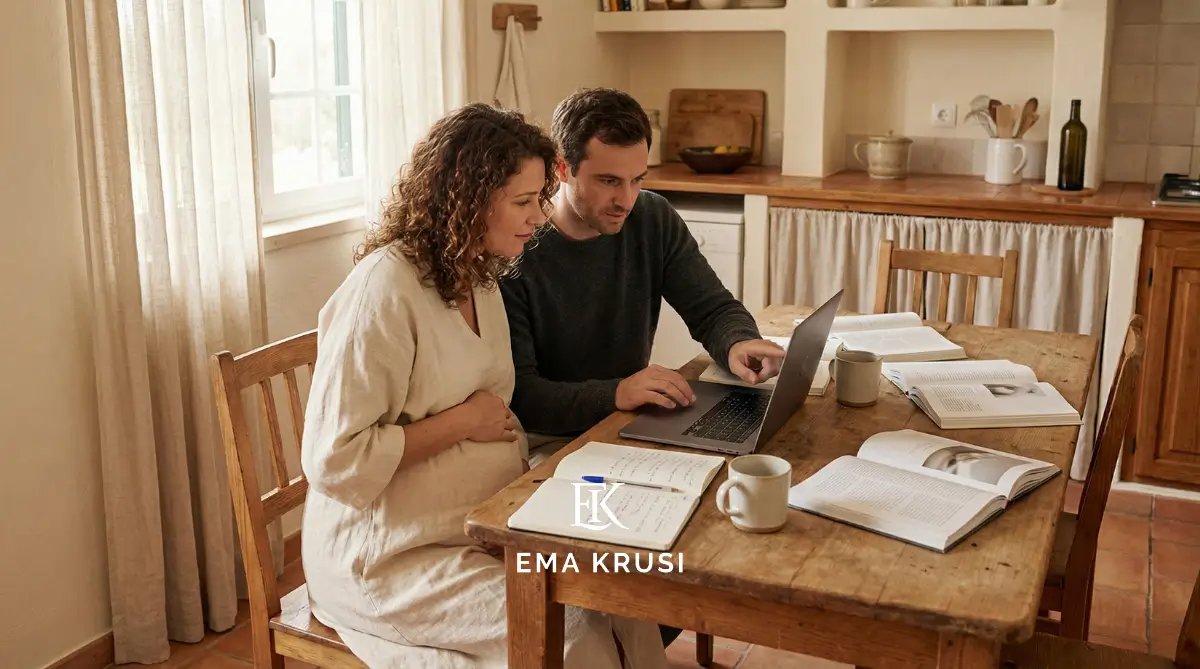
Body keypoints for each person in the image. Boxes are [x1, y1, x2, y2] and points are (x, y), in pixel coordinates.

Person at [299, 103, 670, 669]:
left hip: (483, 524)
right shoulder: (383, 291)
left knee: (623, 600)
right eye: (524, 202)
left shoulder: (481, 274)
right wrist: (460, 424)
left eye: (538, 200)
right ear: (468, 200)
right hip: (392, 556)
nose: (539, 218)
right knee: (572, 635)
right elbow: (334, 460)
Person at [499, 88, 786, 649]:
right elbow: (523, 395)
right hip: (552, 444)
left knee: (717, 525)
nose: (627, 199)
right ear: (562, 168)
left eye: (637, 179)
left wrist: (738, 344)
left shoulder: (651, 218)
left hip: (633, 427)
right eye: (609, 181)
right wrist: (619, 391)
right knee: (659, 564)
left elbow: (713, 306)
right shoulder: (520, 251)